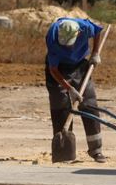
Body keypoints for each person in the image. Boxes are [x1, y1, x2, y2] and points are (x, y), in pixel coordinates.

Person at [45, 17, 106, 162]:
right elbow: (53, 69)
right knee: (60, 105)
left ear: (78, 34)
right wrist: (70, 88)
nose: (67, 47)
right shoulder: (52, 37)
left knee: (89, 103)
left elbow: (98, 31)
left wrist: (95, 53)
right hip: (59, 69)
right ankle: (65, 152)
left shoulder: (85, 27)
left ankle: (96, 150)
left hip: (80, 65)